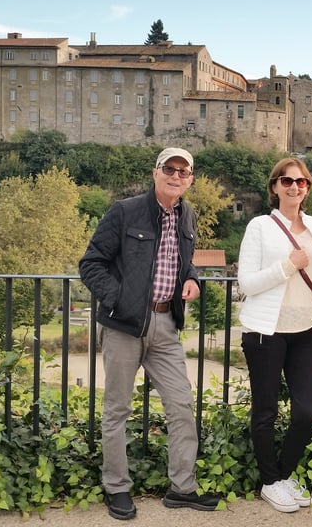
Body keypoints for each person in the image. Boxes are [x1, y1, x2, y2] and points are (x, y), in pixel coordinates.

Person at [79, 147, 221, 520]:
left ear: (190, 179)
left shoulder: (187, 214)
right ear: (156, 172)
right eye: (169, 169)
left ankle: (182, 487)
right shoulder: (125, 211)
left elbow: (183, 262)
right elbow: (91, 263)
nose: (176, 176)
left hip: (165, 324)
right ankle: (116, 487)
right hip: (124, 325)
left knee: (180, 404)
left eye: (183, 171)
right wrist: (120, 300)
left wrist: (191, 277)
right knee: (117, 410)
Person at [237, 157, 312, 514]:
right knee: (265, 410)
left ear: (307, 188)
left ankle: (283, 474)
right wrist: (286, 267)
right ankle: (269, 482)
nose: (295, 187)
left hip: (305, 330)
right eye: (287, 181)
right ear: (275, 186)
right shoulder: (259, 226)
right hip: (266, 331)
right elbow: (245, 283)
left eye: (302, 182)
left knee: (307, 413)